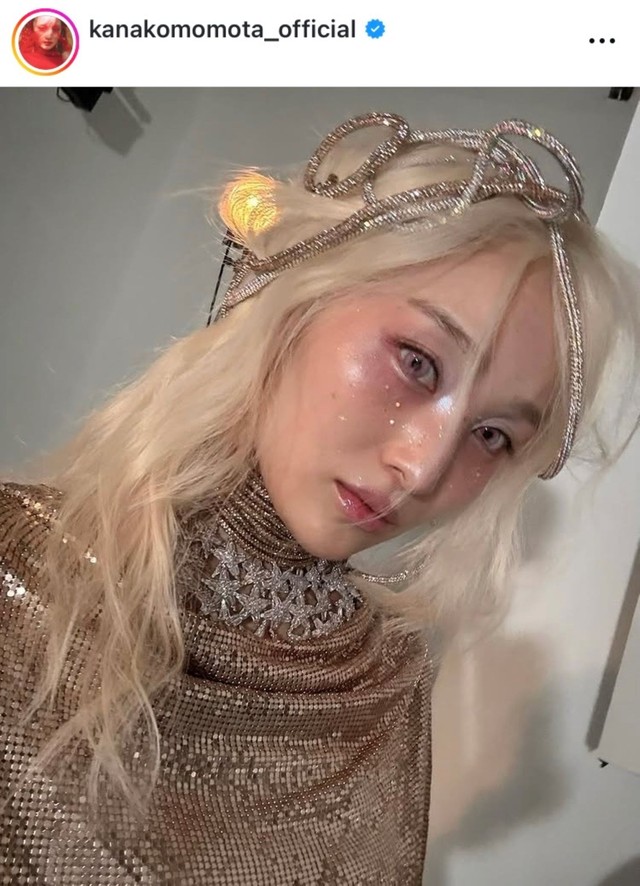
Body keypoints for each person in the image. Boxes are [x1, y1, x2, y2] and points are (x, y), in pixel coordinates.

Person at [1, 112, 638, 884]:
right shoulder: (17, 579)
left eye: (493, 434)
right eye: (417, 362)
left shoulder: (385, 683)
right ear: (301, 298)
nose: (423, 468)